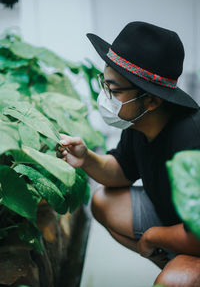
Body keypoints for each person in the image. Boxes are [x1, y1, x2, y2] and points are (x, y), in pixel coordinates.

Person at [56, 21, 200, 286]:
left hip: (196, 233)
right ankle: (175, 260)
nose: (105, 96)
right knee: (102, 202)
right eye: (104, 84)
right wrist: (86, 158)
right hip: (176, 222)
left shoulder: (190, 140)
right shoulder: (140, 123)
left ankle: (183, 269)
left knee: (173, 280)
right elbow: (120, 171)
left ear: (152, 100)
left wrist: (152, 237)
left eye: (114, 90)